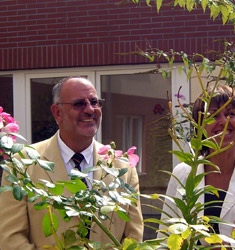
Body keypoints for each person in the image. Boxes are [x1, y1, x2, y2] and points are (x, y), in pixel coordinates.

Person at [0, 77, 144, 249]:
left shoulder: (122, 167)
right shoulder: (23, 163)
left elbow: (134, 238)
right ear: (57, 112)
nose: (90, 110)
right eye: (79, 104)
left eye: (94, 102)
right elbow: (11, 238)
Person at [159, 85, 235, 244]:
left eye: (231, 114)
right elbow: (165, 239)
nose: (224, 121)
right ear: (200, 128)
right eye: (213, 116)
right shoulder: (183, 174)